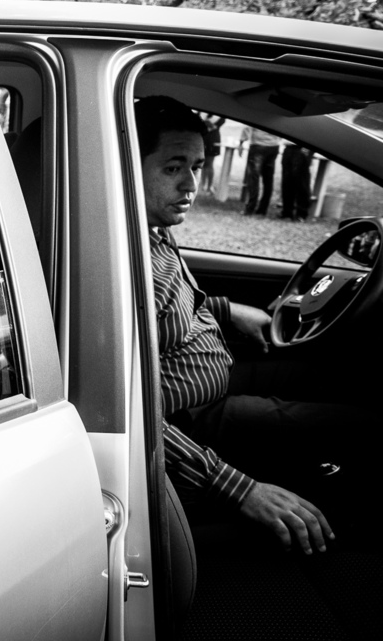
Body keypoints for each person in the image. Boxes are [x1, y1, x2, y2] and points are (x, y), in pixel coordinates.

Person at [136, 97, 366, 554]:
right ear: (128, 165)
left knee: (330, 377)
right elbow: (129, 410)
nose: (191, 185)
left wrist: (226, 309)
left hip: (214, 378)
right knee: (359, 425)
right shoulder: (120, 260)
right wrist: (239, 488)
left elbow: (167, 312)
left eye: (197, 166)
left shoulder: (150, 227)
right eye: (172, 168)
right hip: (189, 422)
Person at [240, 125, 281, 215]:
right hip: (274, 146)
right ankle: (263, 209)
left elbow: (248, 126)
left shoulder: (259, 112)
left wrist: (241, 142)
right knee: (268, 179)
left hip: (258, 146)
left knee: (254, 178)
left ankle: (250, 208)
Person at [279, 141, 314, 221]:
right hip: (289, 147)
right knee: (287, 182)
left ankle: (301, 214)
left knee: (301, 182)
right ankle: (287, 212)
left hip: (302, 148)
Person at [199, 113, 226, 194]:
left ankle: (209, 186)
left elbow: (217, 125)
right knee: (202, 163)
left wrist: (207, 124)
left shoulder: (220, 115)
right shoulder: (201, 112)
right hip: (202, 138)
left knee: (209, 163)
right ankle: (202, 185)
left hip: (213, 140)